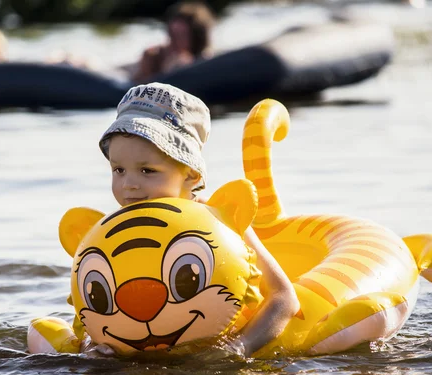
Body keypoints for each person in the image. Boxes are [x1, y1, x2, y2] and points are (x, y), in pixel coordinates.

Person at [95, 82, 300, 357]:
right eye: (118, 169)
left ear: (191, 174)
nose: (128, 185)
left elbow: (284, 298)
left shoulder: (219, 222)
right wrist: (93, 346)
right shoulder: (118, 232)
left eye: (146, 170)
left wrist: (239, 347)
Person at [132, 1, 215, 83]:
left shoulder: (204, 60)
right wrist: (166, 73)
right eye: (172, 34)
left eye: (182, 35)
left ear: (196, 38)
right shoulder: (154, 55)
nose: (174, 41)